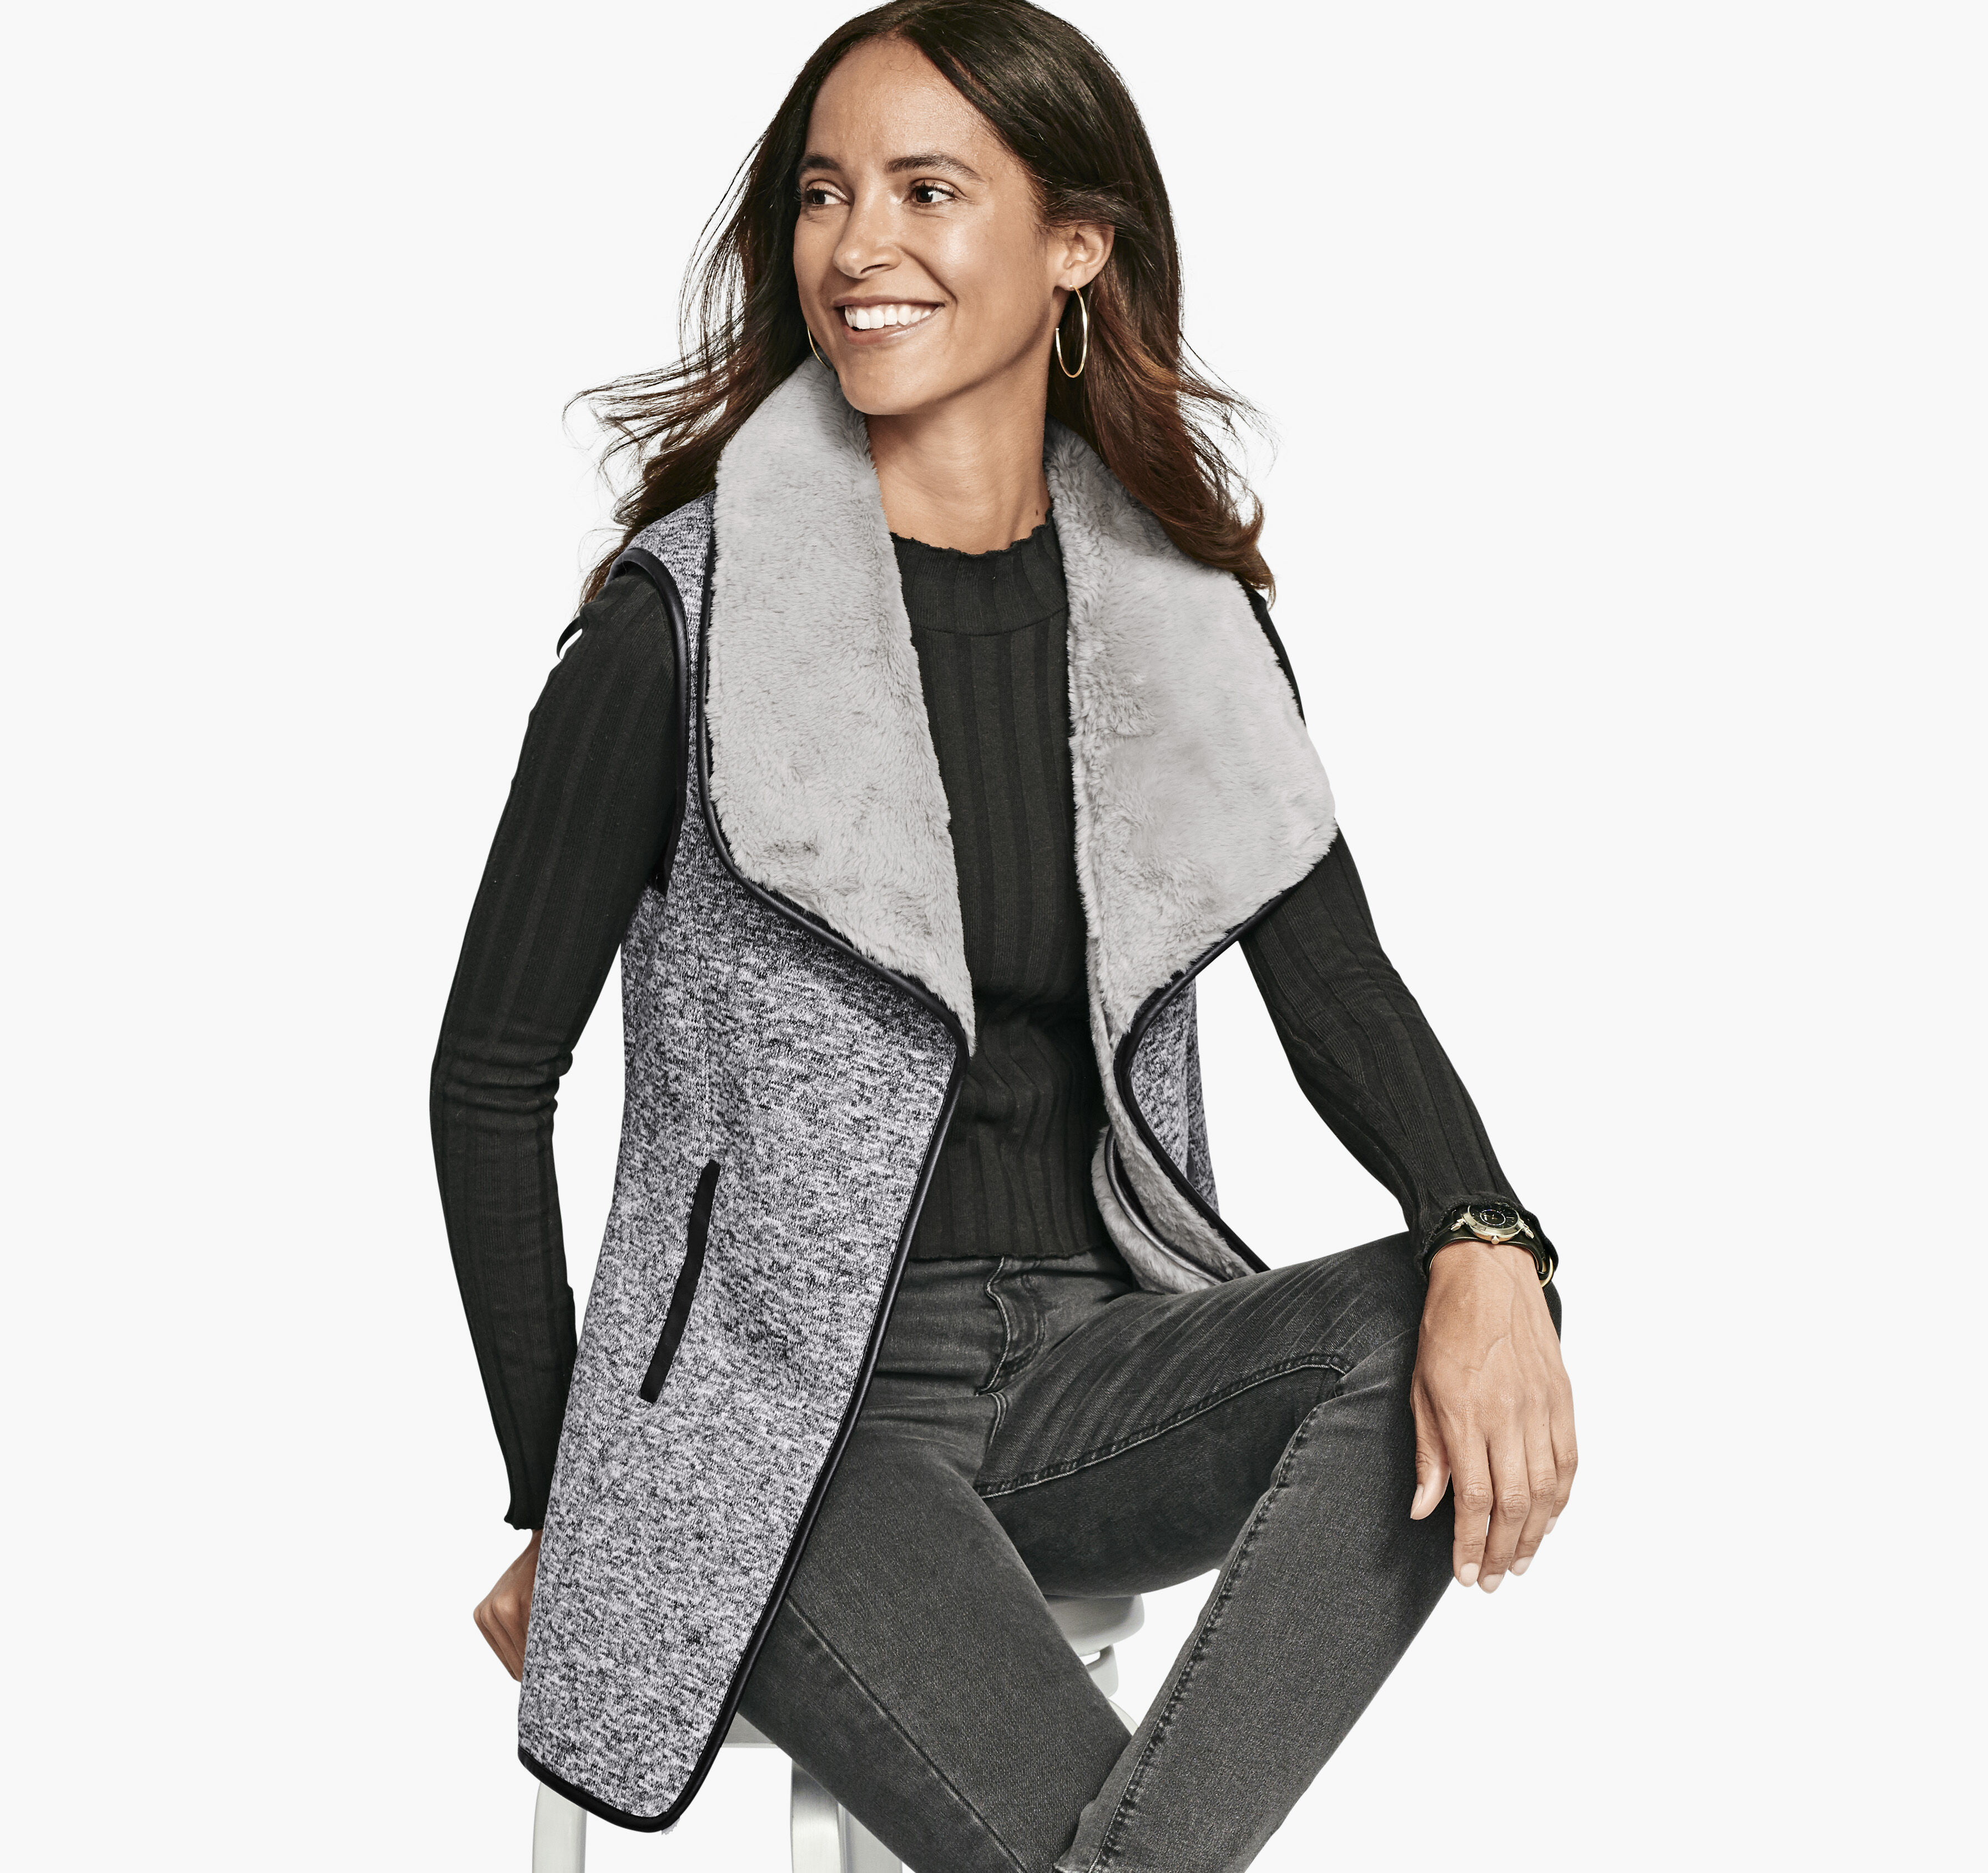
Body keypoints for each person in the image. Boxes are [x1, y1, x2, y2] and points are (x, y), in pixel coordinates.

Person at [430, 5, 1577, 1869]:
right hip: (789, 1428)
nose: (856, 246)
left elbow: (1338, 986)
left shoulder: (1183, 618)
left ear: (1077, 246)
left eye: (927, 191)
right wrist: (575, 1485)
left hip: (1094, 1378)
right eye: (824, 196)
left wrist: (1491, 1240)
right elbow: (490, 1082)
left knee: (1437, 1308)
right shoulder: (683, 629)